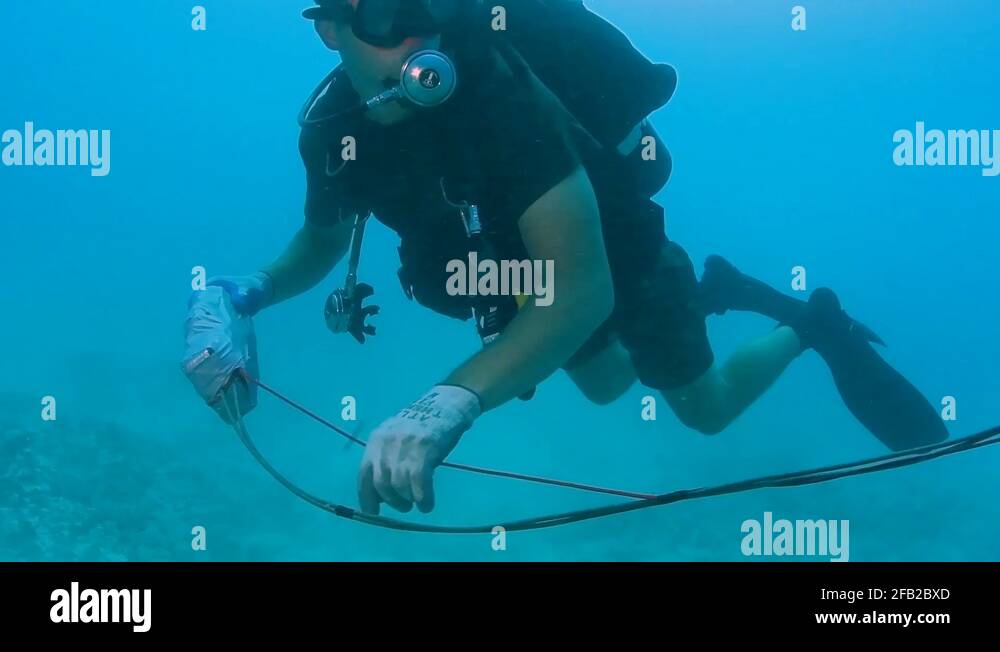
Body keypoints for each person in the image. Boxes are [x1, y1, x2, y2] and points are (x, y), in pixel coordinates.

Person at [188, 0, 946, 517]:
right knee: (608, 385)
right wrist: (240, 295)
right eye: (388, 14)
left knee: (704, 408)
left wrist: (445, 402)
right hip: (521, 286)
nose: (418, 39)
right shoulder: (330, 130)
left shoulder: (496, 100)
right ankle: (722, 289)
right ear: (329, 28)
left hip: (615, 262)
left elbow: (578, 294)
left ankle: (811, 322)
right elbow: (321, 244)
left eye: (429, 10)